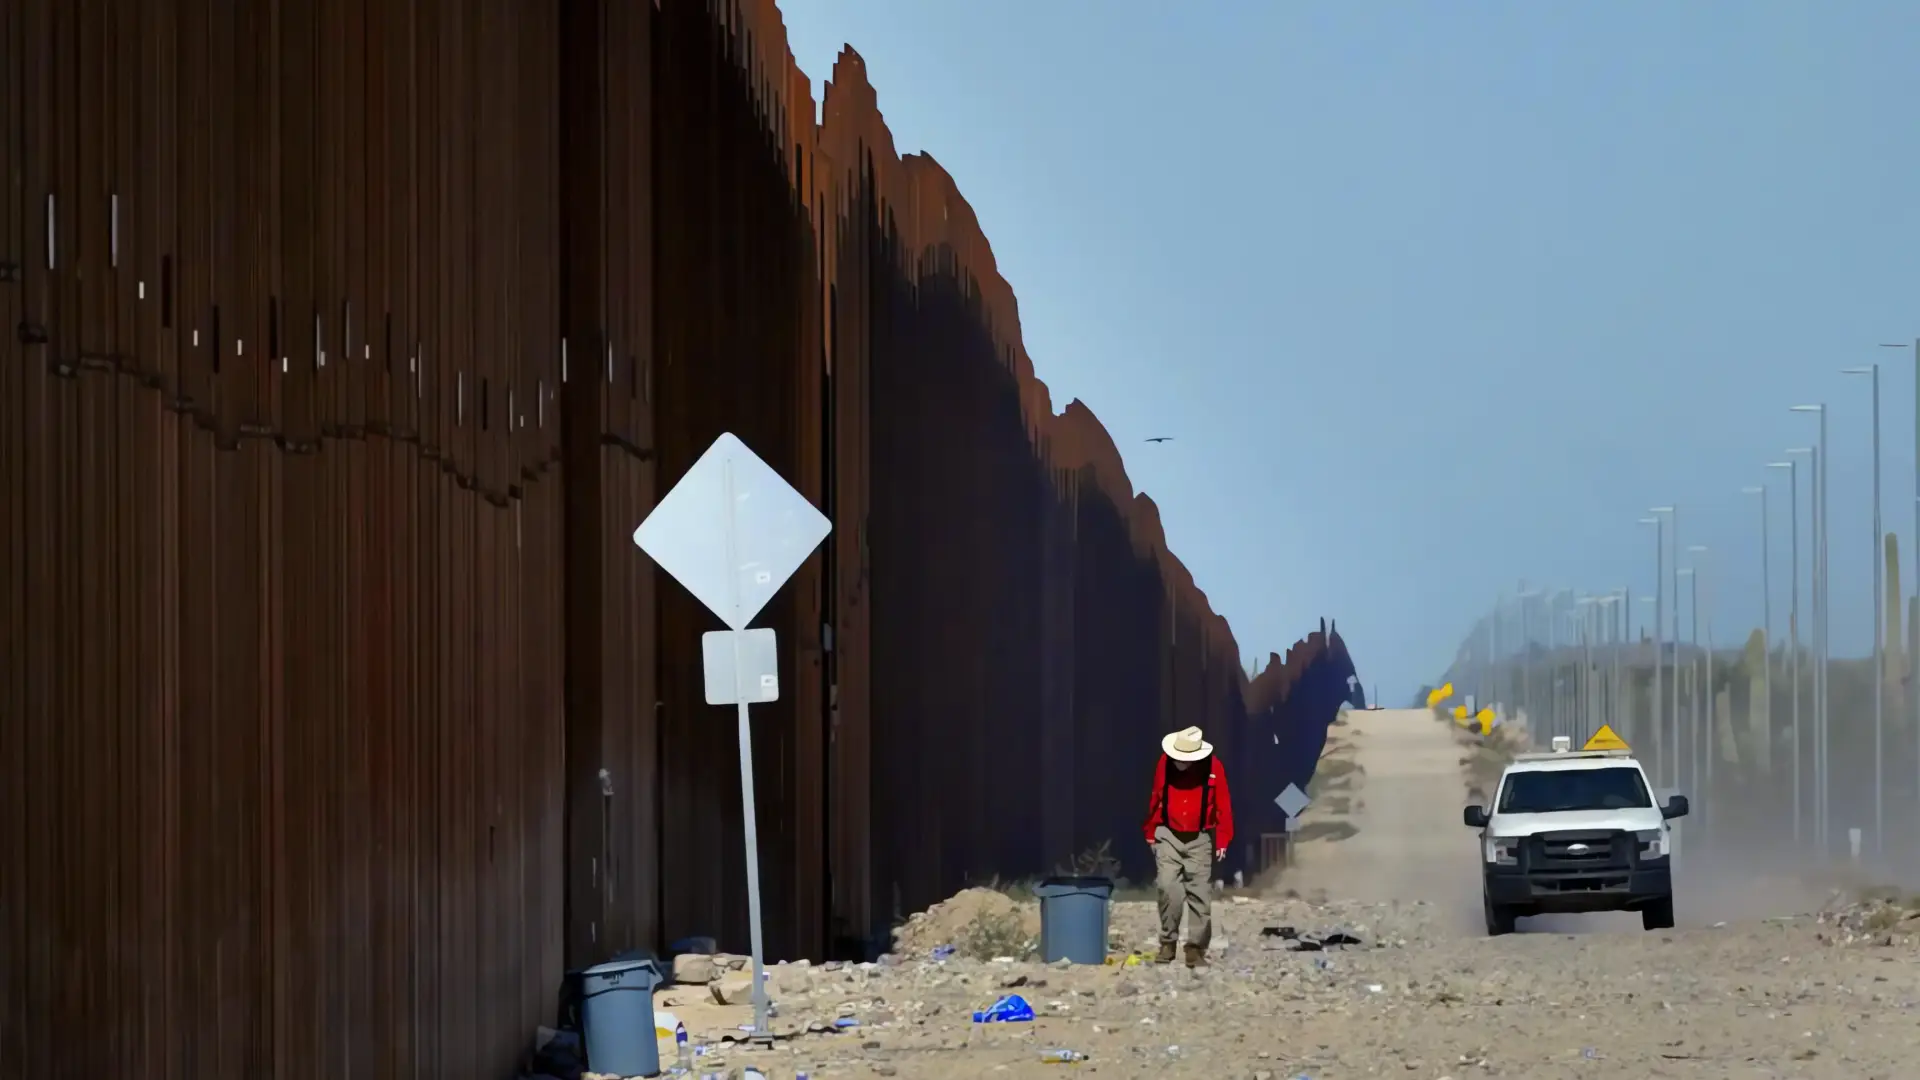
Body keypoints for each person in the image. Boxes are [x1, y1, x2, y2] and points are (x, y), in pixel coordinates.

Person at [1141, 725, 1235, 967]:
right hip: (1168, 834)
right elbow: (1156, 796)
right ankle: (1167, 943)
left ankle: (1195, 948)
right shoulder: (1164, 763)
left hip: (1199, 837)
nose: (1180, 763)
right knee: (1167, 887)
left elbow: (1223, 803)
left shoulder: (1214, 768)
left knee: (1200, 894)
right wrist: (1150, 831)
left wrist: (1223, 838)